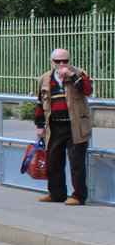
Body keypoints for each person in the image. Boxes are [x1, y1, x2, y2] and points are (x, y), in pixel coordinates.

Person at [35, 48, 92, 206]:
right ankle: (56, 193)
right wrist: (40, 126)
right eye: (57, 61)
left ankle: (79, 196)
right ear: (51, 62)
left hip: (75, 126)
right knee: (53, 162)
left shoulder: (79, 74)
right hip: (54, 126)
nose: (61, 64)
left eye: (65, 61)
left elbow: (87, 90)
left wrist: (71, 75)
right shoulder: (44, 79)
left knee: (76, 163)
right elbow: (40, 103)